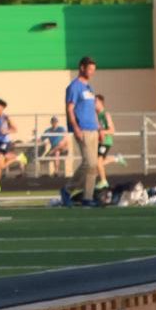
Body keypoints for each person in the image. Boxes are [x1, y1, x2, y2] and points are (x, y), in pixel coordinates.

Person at [64, 56, 101, 207]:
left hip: (93, 130)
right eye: (90, 69)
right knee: (89, 163)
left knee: (94, 166)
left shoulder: (89, 88)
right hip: (82, 129)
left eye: (94, 70)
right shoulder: (74, 87)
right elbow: (70, 109)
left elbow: (92, 109)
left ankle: (87, 197)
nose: (92, 72)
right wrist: (76, 127)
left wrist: (99, 127)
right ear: (82, 68)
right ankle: (67, 189)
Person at [0, 100, 20, 194]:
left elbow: (15, 129)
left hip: (5, 142)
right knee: (0, 165)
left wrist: (6, 131)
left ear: (2, 108)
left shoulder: (6, 117)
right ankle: (17, 157)